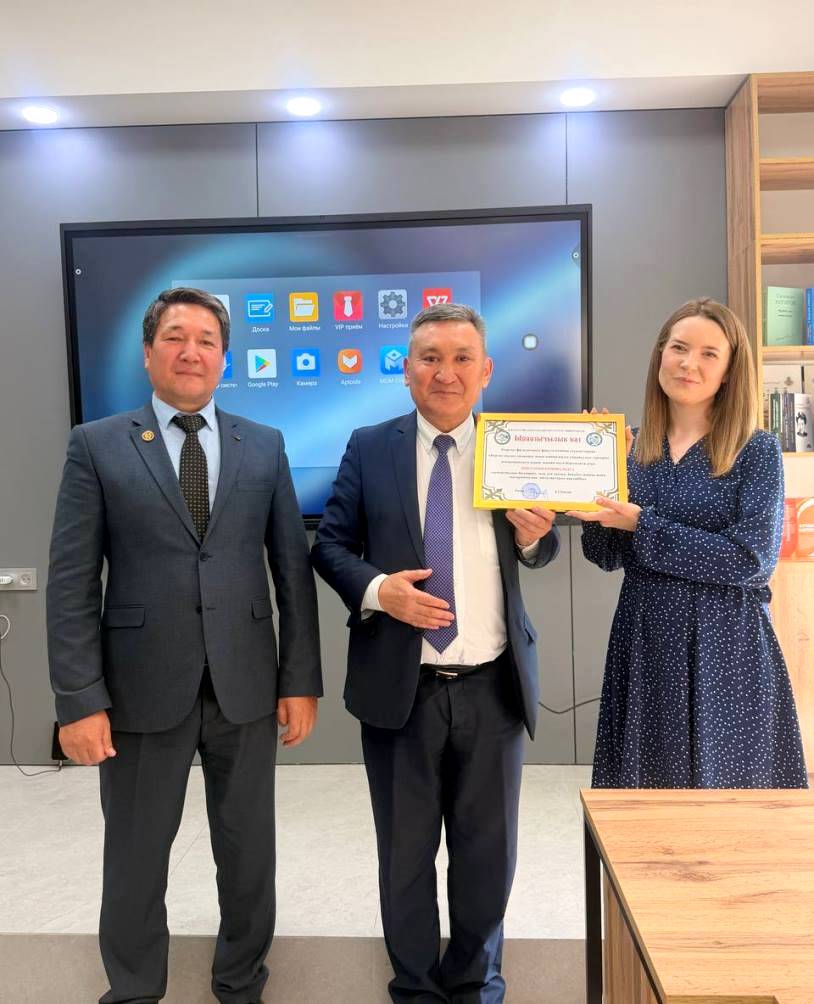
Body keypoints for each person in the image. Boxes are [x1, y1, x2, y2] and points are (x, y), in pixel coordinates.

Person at [47, 287, 323, 1004]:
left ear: (225, 358)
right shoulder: (96, 445)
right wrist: (78, 700)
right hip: (138, 691)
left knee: (249, 856)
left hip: (246, 686)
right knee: (136, 860)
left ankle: (241, 984)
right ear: (148, 353)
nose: (190, 351)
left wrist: (300, 680)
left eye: (206, 340)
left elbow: (291, 571)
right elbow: (71, 582)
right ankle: (135, 992)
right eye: (174, 337)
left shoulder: (263, 444)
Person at [311, 303, 560, 1003]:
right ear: (406, 369)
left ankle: (477, 985)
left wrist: (534, 538)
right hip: (402, 689)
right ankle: (416, 990)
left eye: (460, 358)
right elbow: (330, 546)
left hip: (493, 687)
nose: (445, 373)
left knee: (488, 858)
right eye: (429, 357)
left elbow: (541, 550)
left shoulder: (513, 447)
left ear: (486, 371)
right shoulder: (371, 446)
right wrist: (379, 590)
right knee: (405, 859)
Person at [568, 297, 807, 789]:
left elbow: (751, 560)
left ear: (729, 370)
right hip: (645, 643)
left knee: (729, 803)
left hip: (727, 647)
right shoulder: (631, 446)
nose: (688, 363)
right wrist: (598, 486)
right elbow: (607, 555)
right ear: (660, 354)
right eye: (678, 347)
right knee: (645, 803)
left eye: (708, 353)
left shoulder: (756, 449)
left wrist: (643, 525)